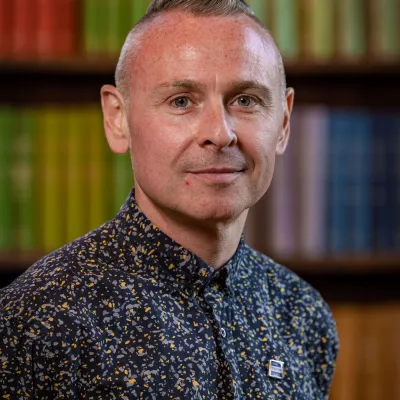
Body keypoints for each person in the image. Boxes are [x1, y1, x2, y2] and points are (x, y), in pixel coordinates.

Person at [0, 0, 338, 398]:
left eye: (245, 100)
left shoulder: (301, 314)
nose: (220, 132)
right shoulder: (35, 319)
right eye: (181, 101)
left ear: (282, 122)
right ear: (117, 119)